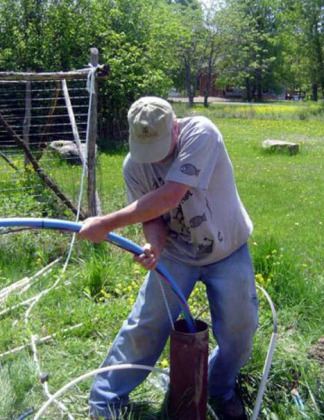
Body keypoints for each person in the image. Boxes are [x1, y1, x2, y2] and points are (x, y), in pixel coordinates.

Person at [79, 96, 258, 419]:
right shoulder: (134, 166)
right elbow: (153, 219)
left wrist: (105, 224)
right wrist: (155, 247)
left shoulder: (201, 133)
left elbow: (170, 195)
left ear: (174, 127)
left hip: (227, 250)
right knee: (145, 325)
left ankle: (218, 388)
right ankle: (105, 401)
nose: (153, 156)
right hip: (176, 255)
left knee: (239, 329)